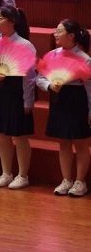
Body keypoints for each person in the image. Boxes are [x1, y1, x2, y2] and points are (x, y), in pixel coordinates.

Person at [37, 19, 91, 197]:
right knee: (64, 143)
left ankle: (80, 181)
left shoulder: (85, 59)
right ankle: (66, 180)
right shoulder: (52, 55)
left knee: (80, 143)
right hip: (59, 99)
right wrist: (49, 86)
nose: (55, 34)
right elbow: (39, 78)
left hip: (77, 101)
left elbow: (90, 89)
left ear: (71, 36)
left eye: (59, 31)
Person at [0, 6, 35, 190]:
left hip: (17, 92)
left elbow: (30, 78)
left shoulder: (24, 45)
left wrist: (28, 101)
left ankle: (23, 175)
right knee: (3, 134)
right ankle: (6, 173)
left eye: (0, 18)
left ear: (12, 21)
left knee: (19, 135)